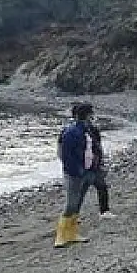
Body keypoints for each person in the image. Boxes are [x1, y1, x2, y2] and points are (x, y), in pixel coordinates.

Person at [55, 103, 96, 248]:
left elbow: (91, 149)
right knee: (71, 203)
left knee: (77, 202)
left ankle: (72, 232)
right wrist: (77, 170)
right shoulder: (72, 131)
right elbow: (66, 155)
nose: (93, 117)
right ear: (87, 115)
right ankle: (61, 235)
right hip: (74, 172)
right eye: (91, 114)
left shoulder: (85, 129)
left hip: (85, 170)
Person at [85, 119, 113, 219]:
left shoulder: (93, 130)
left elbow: (99, 147)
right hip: (86, 165)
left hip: (94, 165)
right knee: (79, 191)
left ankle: (104, 210)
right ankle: (73, 215)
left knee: (102, 187)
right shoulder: (76, 131)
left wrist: (101, 163)